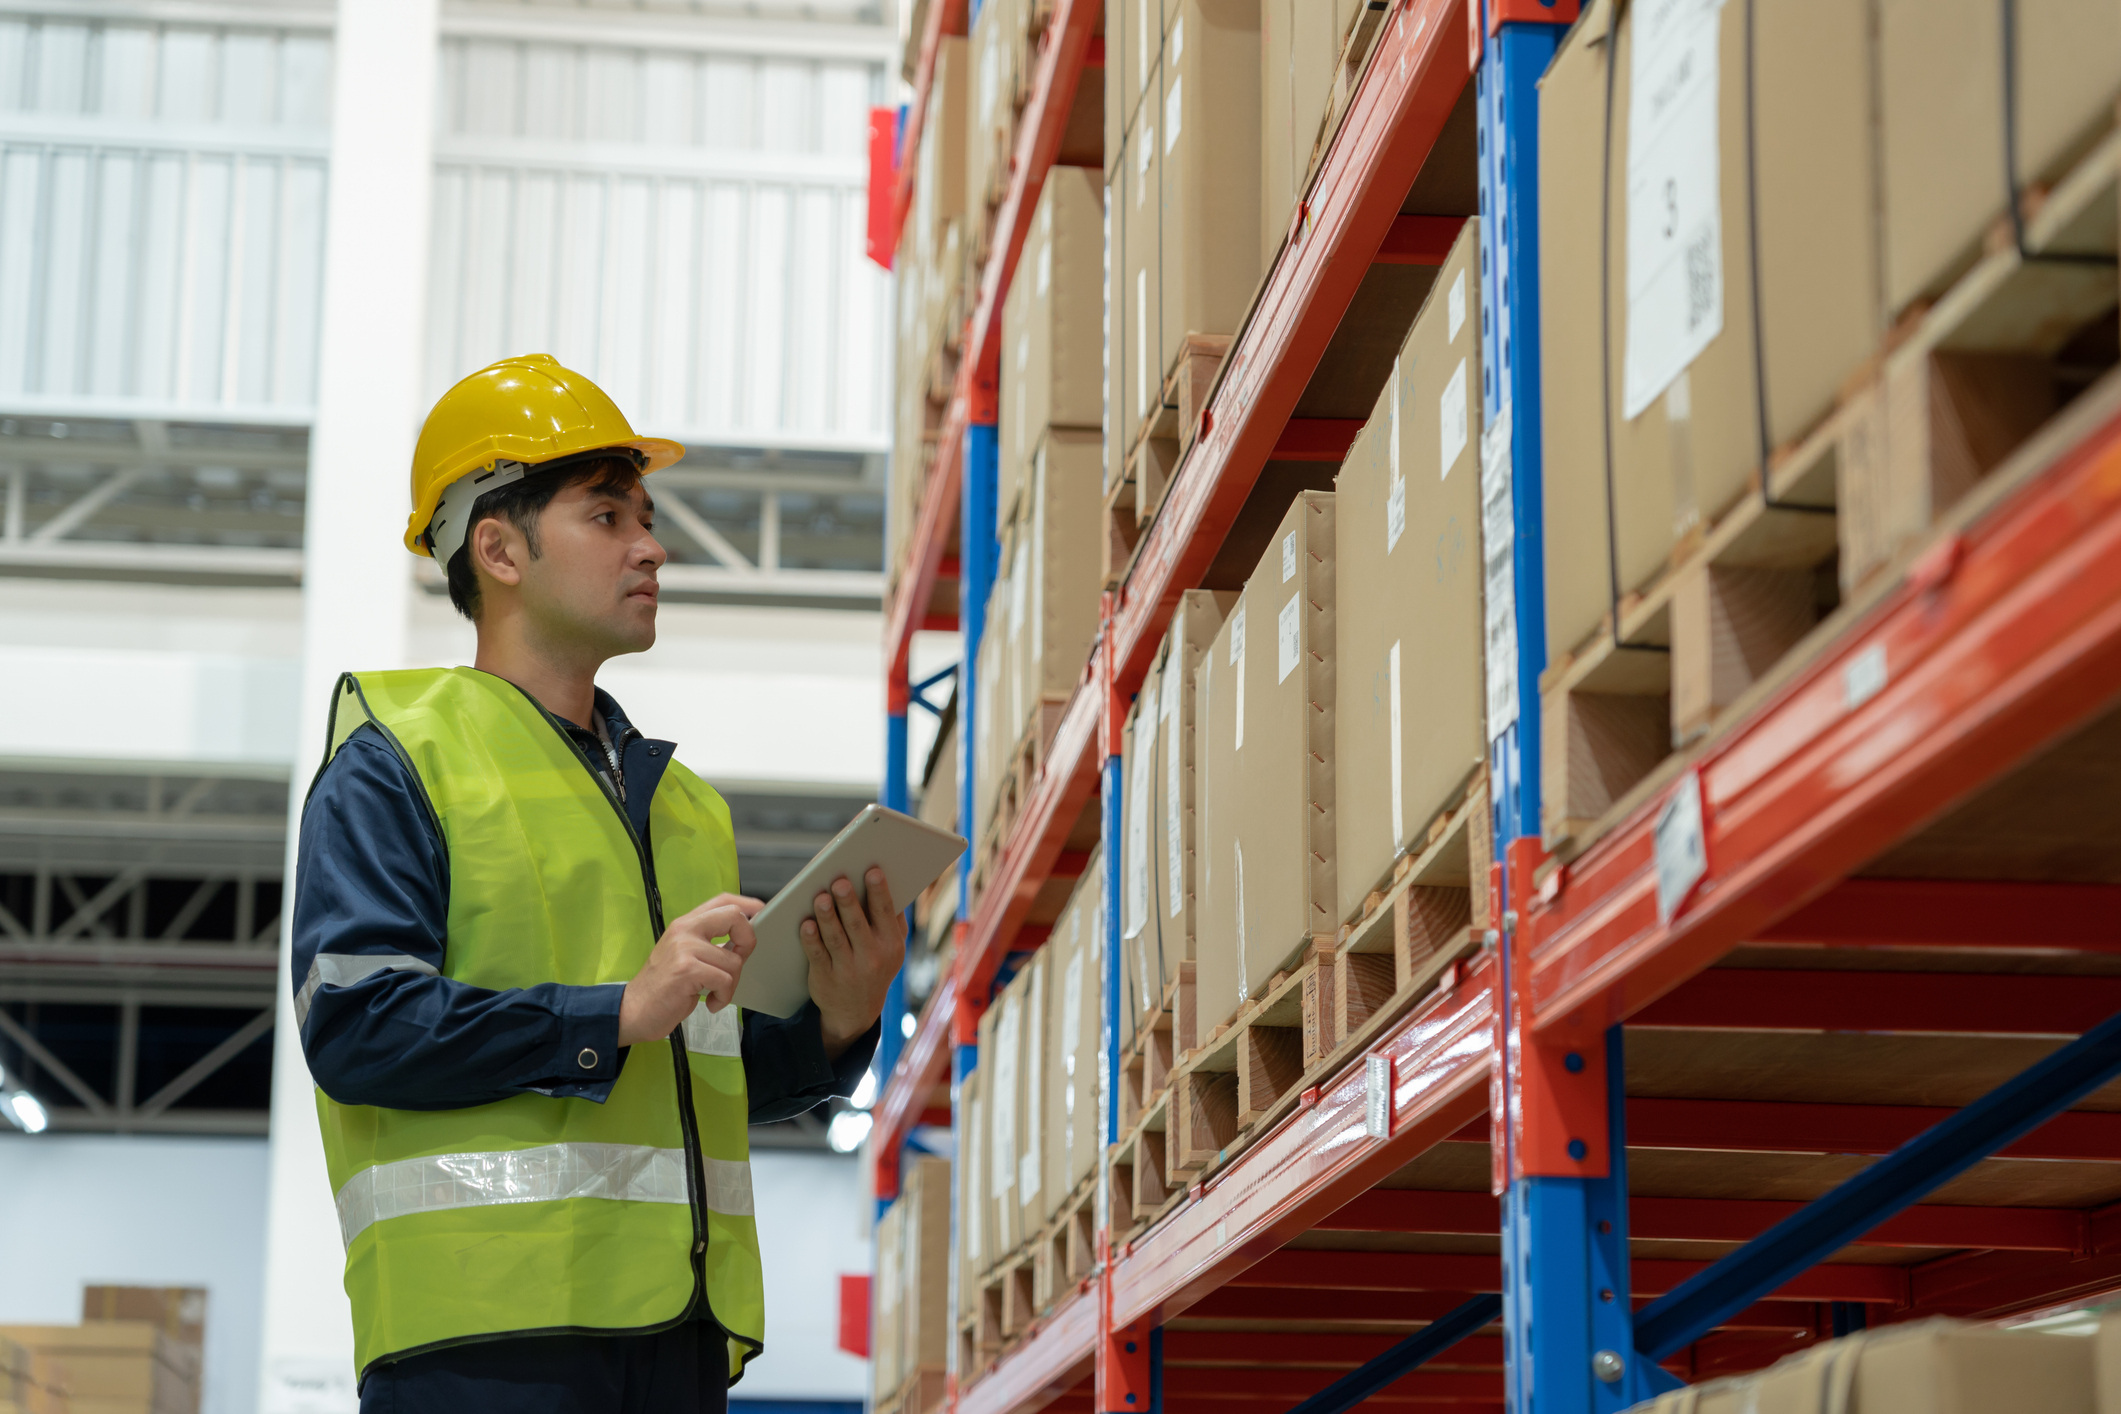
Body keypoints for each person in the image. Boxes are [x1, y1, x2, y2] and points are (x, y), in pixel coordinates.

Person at [291, 353, 903, 1414]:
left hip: (675, 1336)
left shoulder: (686, 809)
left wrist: (835, 1029)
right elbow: (356, 1024)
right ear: (499, 547)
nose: (652, 547)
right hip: (480, 1342)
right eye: (608, 515)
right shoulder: (399, 756)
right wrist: (616, 1009)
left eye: (645, 518)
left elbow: (687, 1088)